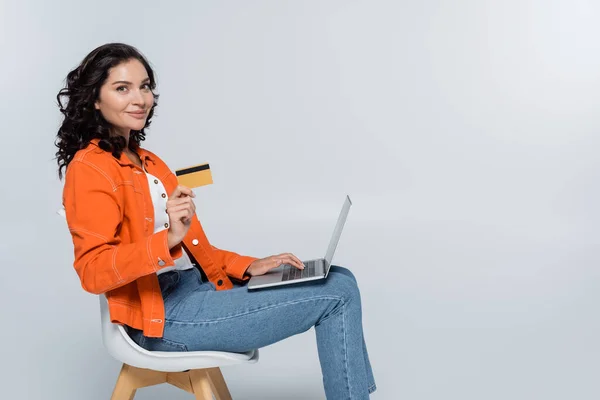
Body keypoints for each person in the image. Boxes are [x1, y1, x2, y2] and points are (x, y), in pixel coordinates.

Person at [56, 43, 376, 399]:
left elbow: (196, 248)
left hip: (189, 288)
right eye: (122, 88)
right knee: (338, 293)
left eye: (144, 86)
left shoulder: (150, 162)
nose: (140, 98)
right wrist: (167, 241)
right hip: (158, 319)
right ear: (94, 100)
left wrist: (251, 265)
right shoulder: (90, 169)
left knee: (340, 276)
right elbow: (93, 270)